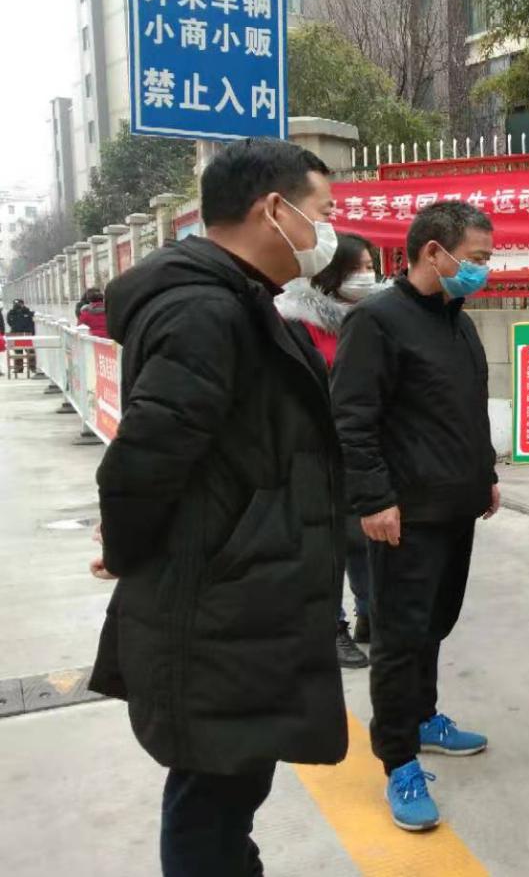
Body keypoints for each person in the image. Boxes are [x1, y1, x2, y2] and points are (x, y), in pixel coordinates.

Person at [88, 138, 348, 877]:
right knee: (213, 788)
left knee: (230, 782)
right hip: (218, 596)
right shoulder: (206, 311)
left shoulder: (237, 300)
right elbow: (144, 459)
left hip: (243, 587)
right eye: (321, 212)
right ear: (275, 208)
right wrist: (131, 551)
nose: (326, 230)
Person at [332, 201, 500, 832]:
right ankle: (397, 758)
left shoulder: (456, 319)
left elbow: (463, 408)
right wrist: (373, 500)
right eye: (477, 258)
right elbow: (352, 418)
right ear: (435, 251)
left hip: (456, 506)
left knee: (434, 623)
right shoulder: (378, 320)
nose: (484, 270)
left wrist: (484, 474)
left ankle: (425, 718)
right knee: (400, 640)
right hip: (404, 515)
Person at [276, 232, 384, 669]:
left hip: (364, 450)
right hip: (313, 451)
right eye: (357, 267)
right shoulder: (293, 323)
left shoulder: (377, 317)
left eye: (370, 266)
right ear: (329, 272)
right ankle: (329, 626)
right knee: (324, 545)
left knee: (365, 539)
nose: (367, 275)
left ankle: (369, 614)